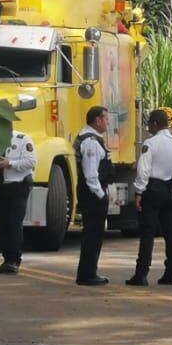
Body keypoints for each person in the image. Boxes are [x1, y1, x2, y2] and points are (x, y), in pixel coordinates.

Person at [127, 108, 172, 287]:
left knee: (147, 233)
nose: (148, 129)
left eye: (149, 125)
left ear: (154, 124)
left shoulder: (150, 143)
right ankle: (171, 273)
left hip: (152, 189)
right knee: (170, 234)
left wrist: (138, 192)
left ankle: (141, 274)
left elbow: (143, 171)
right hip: (169, 190)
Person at [0, 127, 36, 274]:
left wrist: (9, 163)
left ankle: (14, 260)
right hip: (1, 187)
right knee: (3, 224)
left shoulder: (22, 139)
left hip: (18, 186)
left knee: (14, 223)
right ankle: (6, 259)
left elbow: (31, 162)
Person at [75, 106, 113, 286]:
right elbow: (91, 174)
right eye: (105, 119)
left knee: (94, 234)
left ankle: (89, 271)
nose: (107, 122)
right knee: (93, 235)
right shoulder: (91, 142)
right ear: (97, 120)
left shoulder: (92, 138)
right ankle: (87, 274)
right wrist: (101, 195)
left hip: (92, 194)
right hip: (92, 195)